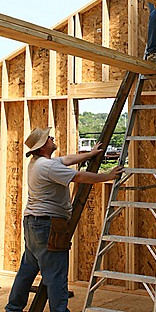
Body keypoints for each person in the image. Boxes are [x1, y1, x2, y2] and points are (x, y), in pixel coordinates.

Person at [5, 127, 124, 312]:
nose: (51, 138)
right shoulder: (48, 166)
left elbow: (66, 159)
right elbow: (79, 176)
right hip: (47, 225)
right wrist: (107, 176)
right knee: (56, 275)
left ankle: (13, 308)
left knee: (27, 270)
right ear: (43, 146)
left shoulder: (38, 162)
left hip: (33, 223)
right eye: (48, 138)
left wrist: (90, 154)